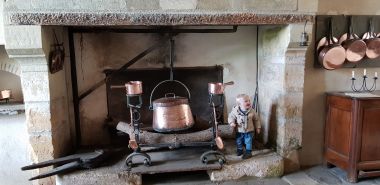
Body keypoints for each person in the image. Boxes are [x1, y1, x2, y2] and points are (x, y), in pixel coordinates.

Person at [228, 94, 261, 159]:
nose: (248, 102)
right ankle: (240, 150)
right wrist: (232, 122)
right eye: (246, 101)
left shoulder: (252, 111)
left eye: (249, 100)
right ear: (239, 104)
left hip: (249, 130)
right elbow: (231, 116)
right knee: (239, 141)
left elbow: (257, 119)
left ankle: (248, 152)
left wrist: (258, 127)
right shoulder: (235, 111)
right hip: (239, 130)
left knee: (248, 141)